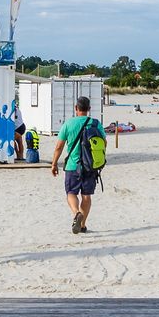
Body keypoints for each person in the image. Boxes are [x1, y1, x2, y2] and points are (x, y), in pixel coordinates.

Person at [53, 95, 105, 233]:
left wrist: (53, 164)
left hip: (72, 166)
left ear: (76, 108)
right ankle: (82, 225)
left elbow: (59, 147)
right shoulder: (95, 123)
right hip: (90, 166)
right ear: (89, 109)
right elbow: (104, 143)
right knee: (86, 196)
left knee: (71, 193)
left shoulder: (68, 124)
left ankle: (76, 213)